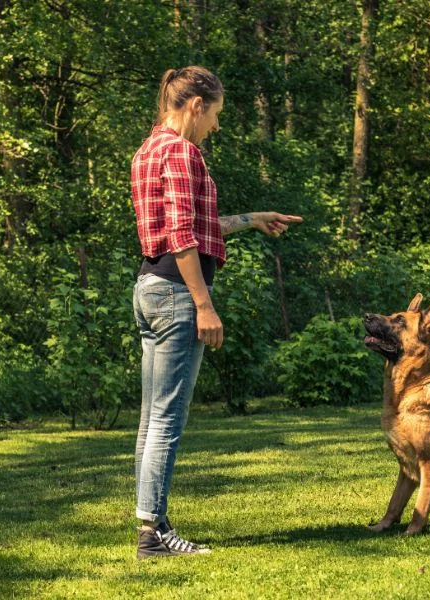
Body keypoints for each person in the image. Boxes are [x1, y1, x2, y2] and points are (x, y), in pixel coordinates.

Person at [131, 66, 302, 560]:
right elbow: (184, 236)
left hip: (149, 285)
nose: (217, 127)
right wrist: (204, 304)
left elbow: (194, 227)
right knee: (167, 419)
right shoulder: (183, 152)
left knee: (151, 419)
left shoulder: (148, 150)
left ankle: (152, 522)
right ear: (196, 105)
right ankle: (153, 534)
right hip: (177, 294)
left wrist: (253, 220)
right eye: (217, 115)